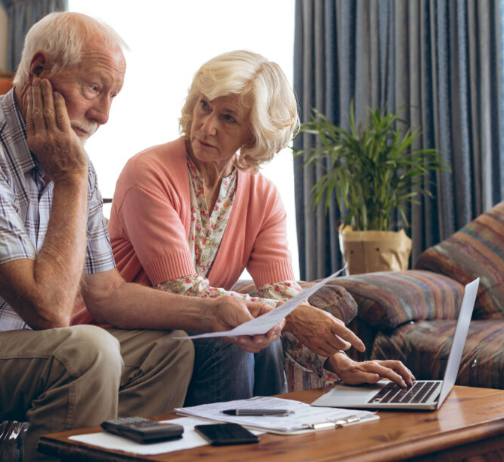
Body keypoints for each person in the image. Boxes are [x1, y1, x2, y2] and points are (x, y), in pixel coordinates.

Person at [0, 16, 281, 462]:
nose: (103, 114)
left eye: (113, 96)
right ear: (39, 70)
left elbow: (106, 293)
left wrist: (216, 314)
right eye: (93, 89)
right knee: (87, 351)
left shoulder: (73, 162)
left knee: (169, 350)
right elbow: (50, 311)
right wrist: (68, 177)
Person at [96, 50, 415, 405]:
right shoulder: (148, 172)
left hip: (192, 328)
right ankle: (228, 455)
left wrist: (339, 362)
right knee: (230, 341)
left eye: (228, 117)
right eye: (204, 106)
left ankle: (273, 450)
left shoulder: (263, 195)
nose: (207, 126)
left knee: (262, 340)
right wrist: (291, 316)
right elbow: (180, 289)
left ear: (253, 136)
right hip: (122, 328)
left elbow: (281, 296)